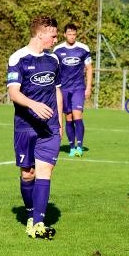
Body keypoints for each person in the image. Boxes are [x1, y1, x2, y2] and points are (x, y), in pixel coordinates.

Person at [7, 15, 62, 239]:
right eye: (53, 35)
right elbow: (13, 92)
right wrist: (33, 105)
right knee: (28, 174)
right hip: (25, 126)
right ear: (40, 33)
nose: (55, 39)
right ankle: (31, 213)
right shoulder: (17, 58)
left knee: (44, 172)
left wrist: (60, 121)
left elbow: (57, 90)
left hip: (49, 128)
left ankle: (38, 223)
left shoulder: (54, 60)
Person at [52, 23, 93, 157]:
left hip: (78, 88)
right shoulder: (57, 50)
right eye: (69, 34)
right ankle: (71, 147)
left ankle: (79, 147)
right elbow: (54, 70)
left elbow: (89, 68)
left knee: (77, 115)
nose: (72, 37)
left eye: (74, 34)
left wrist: (88, 87)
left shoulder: (83, 49)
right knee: (68, 117)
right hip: (63, 89)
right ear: (64, 35)